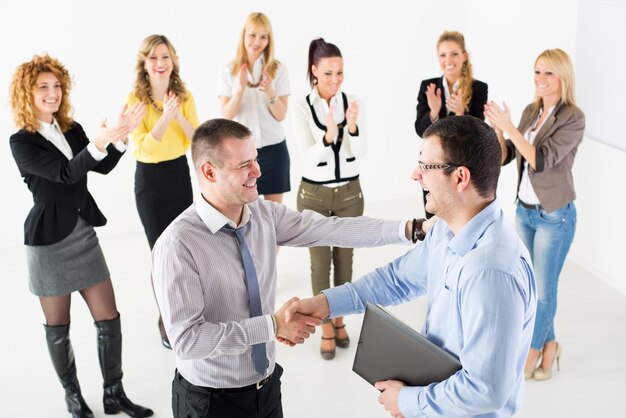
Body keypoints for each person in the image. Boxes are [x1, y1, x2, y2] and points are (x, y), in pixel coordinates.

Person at [151, 118, 420, 418]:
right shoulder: (178, 244)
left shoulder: (265, 215)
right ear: (209, 171)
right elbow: (188, 341)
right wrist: (273, 326)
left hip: (266, 388)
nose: (258, 172)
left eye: (255, 160)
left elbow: (333, 229)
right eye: (244, 165)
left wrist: (410, 229)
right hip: (209, 403)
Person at [285, 116, 537, 417]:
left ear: (460, 178)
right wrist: (324, 304)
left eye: (426, 167)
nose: (416, 175)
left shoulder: (490, 271)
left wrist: (407, 400)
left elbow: (485, 390)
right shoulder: (446, 229)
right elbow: (395, 281)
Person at [9, 55, 152, 418]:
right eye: (43, 86)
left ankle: (114, 393)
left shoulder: (70, 128)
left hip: (81, 232)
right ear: (27, 92)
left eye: (57, 86)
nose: (52, 93)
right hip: (48, 243)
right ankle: (72, 397)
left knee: (109, 318)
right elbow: (67, 173)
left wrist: (119, 138)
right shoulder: (21, 143)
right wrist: (100, 141)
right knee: (58, 328)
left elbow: (99, 165)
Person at [484, 48, 584, 381]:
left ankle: (531, 352)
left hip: (555, 216)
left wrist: (510, 126)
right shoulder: (531, 111)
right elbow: (505, 157)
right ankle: (551, 345)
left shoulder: (573, 118)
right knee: (532, 288)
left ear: (563, 77)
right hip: (524, 212)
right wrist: (499, 130)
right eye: (537, 72)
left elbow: (542, 159)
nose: (540, 79)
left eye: (548, 73)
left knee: (544, 291)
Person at [293, 38, 365, 360]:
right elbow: (308, 159)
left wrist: (351, 127)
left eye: (339, 72)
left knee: (345, 261)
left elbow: (361, 153)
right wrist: (328, 137)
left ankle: (339, 317)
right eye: (327, 73)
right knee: (320, 264)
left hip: (350, 192)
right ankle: (323, 324)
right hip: (315, 196)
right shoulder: (302, 107)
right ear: (314, 71)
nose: (335, 80)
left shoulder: (351, 101)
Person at [126, 34, 199, 349]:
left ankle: (187, 312)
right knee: (160, 255)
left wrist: (177, 115)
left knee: (183, 252)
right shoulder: (135, 100)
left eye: (165, 57)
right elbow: (140, 147)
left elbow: (196, 139)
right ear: (144, 62)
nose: (160, 63)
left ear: (173, 61)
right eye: (153, 57)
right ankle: (166, 317)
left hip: (178, 175)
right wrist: (164, 119)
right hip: (150, 181)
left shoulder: (184, 95)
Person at [218, 12, 290, 204]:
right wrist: (239, 91)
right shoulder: (229, 71)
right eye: (252, 35)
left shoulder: (278, 69)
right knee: (247, 212)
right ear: (243, 35)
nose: (257, 41)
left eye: (263, 36)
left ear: (269, 40)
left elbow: (281, 115)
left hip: (274, 149)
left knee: (275, 213)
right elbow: (226, 115)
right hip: (243, 153)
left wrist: (270, 93)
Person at [414, 30, 488, 219]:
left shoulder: (478, 88)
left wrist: (462, 112)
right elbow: (420, 130)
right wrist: (433, 112)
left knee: (462, 218)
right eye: (443, 55)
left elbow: (479, 134)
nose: (449, 59)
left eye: (454, 53)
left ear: (464, 56)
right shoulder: (428, 86)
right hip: (433, 164)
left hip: (464, 166)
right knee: (434, 219)